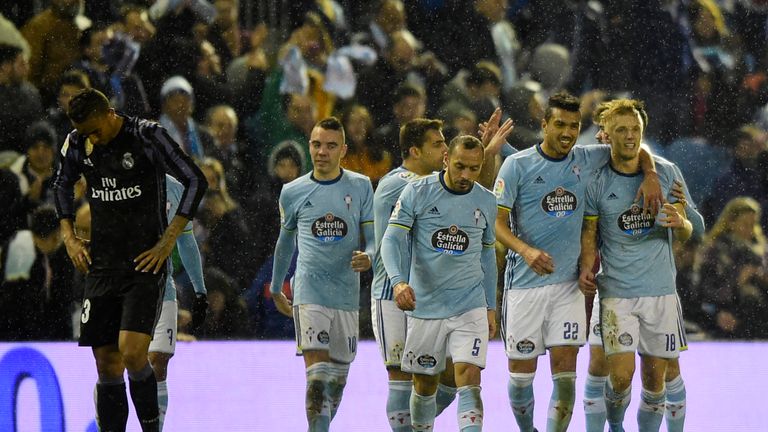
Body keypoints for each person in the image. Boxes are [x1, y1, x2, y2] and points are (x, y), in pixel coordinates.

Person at [493, 91, 662, 432]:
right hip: (524, 286)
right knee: (521, 379)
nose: (567, 132)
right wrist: (525, 250)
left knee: (566, 377)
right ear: (544, 125)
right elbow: (495, 223)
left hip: (568, 287)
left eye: (573, 125)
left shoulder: (587, 158)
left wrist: (651, 173)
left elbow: (635, 148)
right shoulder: (517, 165)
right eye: (559, 125)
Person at [52, 88, 207, 431]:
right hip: (102, 265)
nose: (92, 139)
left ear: (109, 114)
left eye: (95, 130)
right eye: (85, 133)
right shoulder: (77, 142)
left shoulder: (147, 136)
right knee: (106, 363)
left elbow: (196, 180)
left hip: (144, 265)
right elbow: (61, 183)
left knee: (133, 353)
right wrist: (69, 238)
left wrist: (168, 241)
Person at [583, 99, 703, 432]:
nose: (629, 135)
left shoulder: (666, 172)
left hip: (661, 292)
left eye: (635, 128)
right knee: (620, 377)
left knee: (656, 380)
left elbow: (697, 231)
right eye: (621, 129)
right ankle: (616, 425)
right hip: (617, 293)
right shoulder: (595, 177)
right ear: (605, 135)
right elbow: (589, 231)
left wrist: (681, 224)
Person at [381, 135, 498, 431]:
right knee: (424, 384)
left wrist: (490, 305)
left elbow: (486, 256)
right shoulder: (417, 192)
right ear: (446, 159)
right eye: (460, 166)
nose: (465, 176)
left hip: (469, 304)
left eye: (474, 169)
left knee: (470, 377)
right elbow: (391, 240)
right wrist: (398, 282)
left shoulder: (485, 199)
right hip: (426, 305)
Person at [269, 117, 375, 431]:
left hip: (345, 294)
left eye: (330, 146)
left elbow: (372, 237)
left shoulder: (360, 186)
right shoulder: (292, 191)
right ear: (309, 146)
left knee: (336, 384)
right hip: (309, 291)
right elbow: (284, 243)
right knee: (316, 379)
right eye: (316, 144)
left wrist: (368, 257)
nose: (322, 152)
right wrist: (277, 287)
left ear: (343, 150)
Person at [149, 174, 208, 430]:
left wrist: (200, 290)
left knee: (158, 362)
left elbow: (186, 240)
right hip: (121, 287)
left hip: (162, 287)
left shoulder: (175, 189)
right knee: (113, 364)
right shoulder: (118, 180)